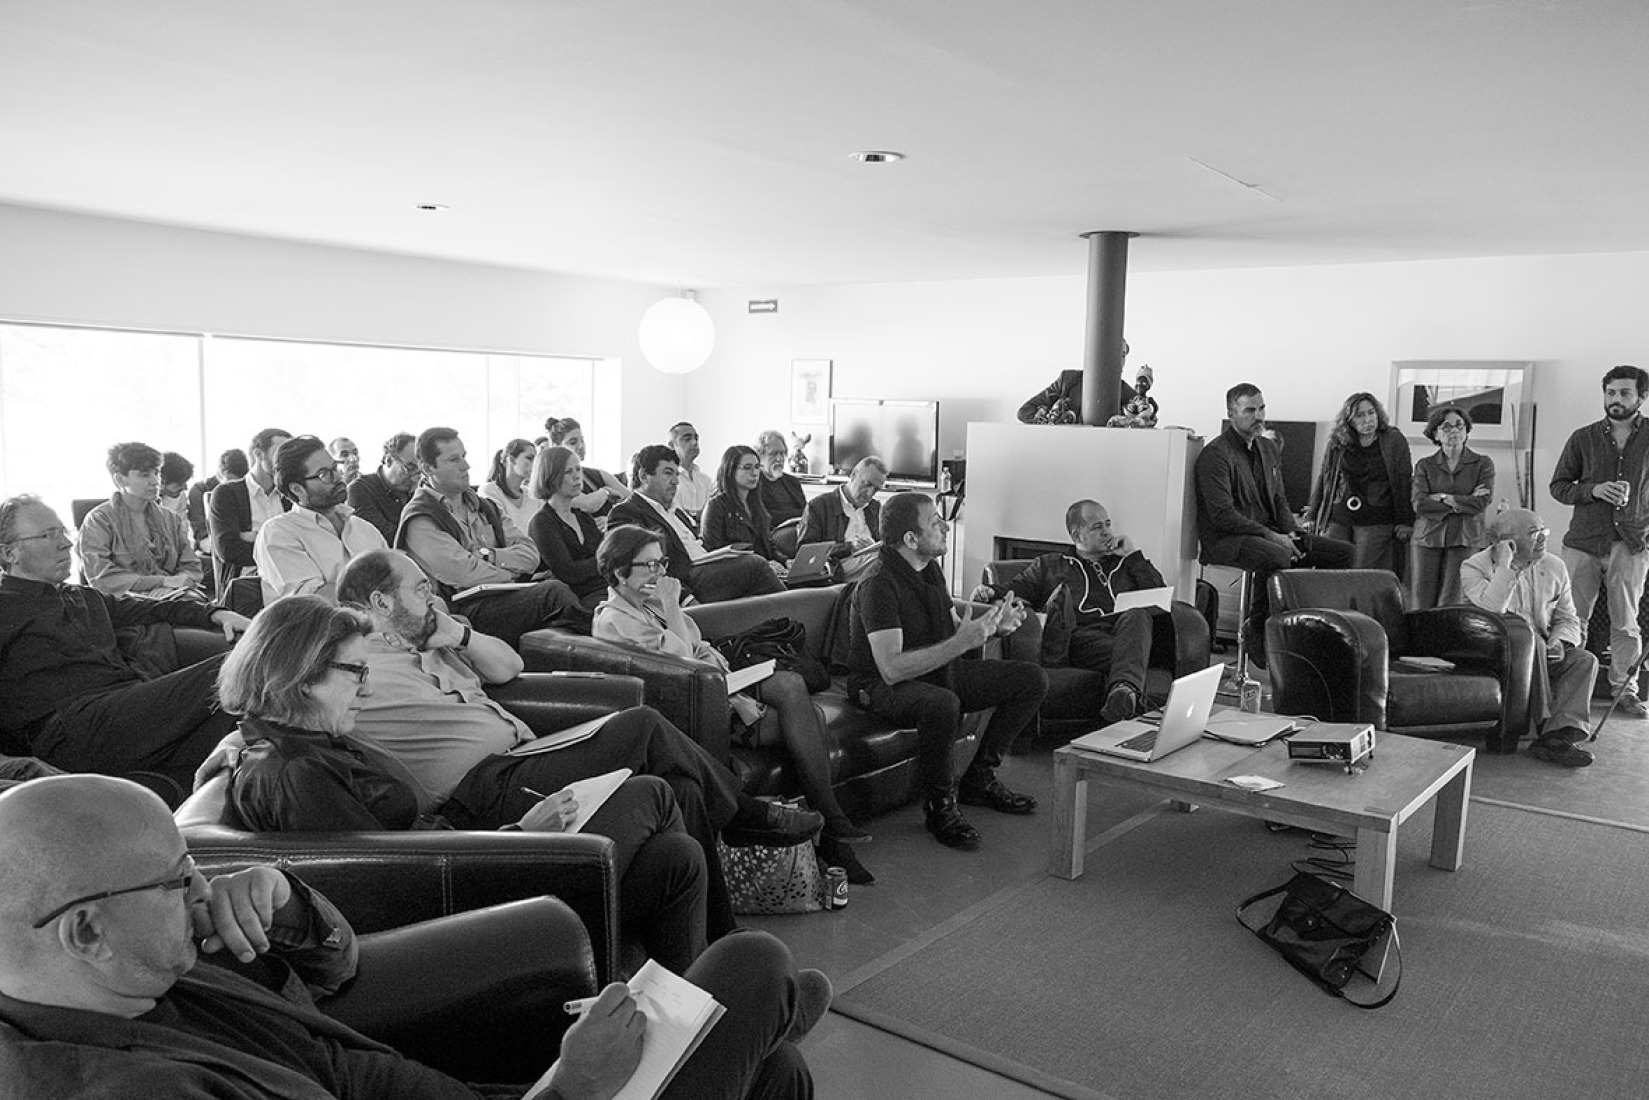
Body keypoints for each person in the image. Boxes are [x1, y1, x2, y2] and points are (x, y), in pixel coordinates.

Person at [0, 773, 826, 1100]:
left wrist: (285, 900)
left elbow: (335, 967)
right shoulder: (126, 1092)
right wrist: (575, 1091)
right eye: (176, 878)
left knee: (768, 1063)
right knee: (752, 967)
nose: (200, 889)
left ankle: (759, 1023)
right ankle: (764, 1011)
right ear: (84, 930)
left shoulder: (146, 965)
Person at [325, 549, 822, 940]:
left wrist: (454, 632)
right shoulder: (348, 665)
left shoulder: (434, 639)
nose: (432, 597)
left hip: (524, 758)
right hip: (479, 789)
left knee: (682, 791)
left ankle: (718, 942)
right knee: (642, 726)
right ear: (379, 603)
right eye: (419, 589)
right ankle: (745, 815)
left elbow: (508, 668)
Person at [217, 595, 709, 970]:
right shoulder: (296, 772)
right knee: (653, 792)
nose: (367, 687)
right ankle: (707, 995)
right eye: (355, 672)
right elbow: (385, 887)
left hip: (465, 861)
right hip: (458, 907)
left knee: (676, 859)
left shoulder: (304, 739)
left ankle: (693, 1003)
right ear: (302, 677)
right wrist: (521, 837)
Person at [594, 524, 873, 882]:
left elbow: (703, 647)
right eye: (650, 566)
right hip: (692, 714)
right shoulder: (615, 620)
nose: (661, 573)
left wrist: (732, 687)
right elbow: (684, 665)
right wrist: (672, 607)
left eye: (662, 563)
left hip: (718, 691)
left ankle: (827, 829)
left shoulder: (648, 608)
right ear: (620, 572)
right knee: (807, 717)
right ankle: (830, 829)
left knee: (791, 686)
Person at [0, 495, 250, 793]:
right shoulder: (5, 607)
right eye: (47, 535)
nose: (65, 543)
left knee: (233, 727)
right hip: (69, 730)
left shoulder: (85, 597)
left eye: (63, 532)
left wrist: (216, 612)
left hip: (122, 711)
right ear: (10, 553)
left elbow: (157, 608)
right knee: (239, 667)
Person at [848, 492, 1048, 850]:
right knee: (942, 703)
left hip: (933, 669)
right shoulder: (878, 583)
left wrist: (992, 628)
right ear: (911, 539)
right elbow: (891, 668)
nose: (944, 527)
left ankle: (979, 778)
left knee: (1031, 679)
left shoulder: (928, 567)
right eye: (934, 522)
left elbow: (951, 625)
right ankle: (940, 806)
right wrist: (962, 643)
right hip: (879, 685)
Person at [970, 499, 1173, 724]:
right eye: (1097, 527)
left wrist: (1133, 556)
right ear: (1077, 536)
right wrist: (989, 592)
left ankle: (1124, 691)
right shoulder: (1052, 565)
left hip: (1128, 633)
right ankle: (1125, 692)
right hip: (1083, 638)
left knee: (1137, 615)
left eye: (1108, 524)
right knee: (1137, 651)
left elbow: (1160, 597)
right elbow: (1014, 589)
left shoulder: (1126, 563)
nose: (1107, 532)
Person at [1194, 383, 1353, 665]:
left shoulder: (1268, 448)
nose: (1259, 416)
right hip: (1227, 539)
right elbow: (1223, 516)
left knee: (1343, 553)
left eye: (1262, 408)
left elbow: (1279, 499)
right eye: (1250, 410)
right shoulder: (1215, 455)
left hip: (1270, 534)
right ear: (1231, 414)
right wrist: (1275, 537)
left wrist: (1292, 531)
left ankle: (1306, 629)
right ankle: (1258, 626)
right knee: (1277, 554)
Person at [395, 426, 589, 646]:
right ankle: (610, 649)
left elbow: (530, 554)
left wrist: (488, 555)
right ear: (427, 467)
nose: (466, 466)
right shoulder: (420, 518)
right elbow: (465, 574)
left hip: (504, 596)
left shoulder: (485, 507)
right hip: (458, 613)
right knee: (553, 594)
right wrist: (512, 572)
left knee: (561, 600)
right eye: (454, 460)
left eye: (464, 457)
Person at [1461, 508, 1599, 767]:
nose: (1544, 538)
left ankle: (1557, 736)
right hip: (1498, 650)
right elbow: (1493, 609)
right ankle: (1546, 723)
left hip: (1544, 648)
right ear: (1507, 541)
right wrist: (1506, 565)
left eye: (1543, 530)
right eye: (1534, 533)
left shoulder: (1555, 565)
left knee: (1584, 659)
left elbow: (1568, 617)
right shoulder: (1474, 566)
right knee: (1530, 642)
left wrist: (1562, 642)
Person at [1550, 365, 1649, 719]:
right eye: (1610, 393)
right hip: (1583, 542)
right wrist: (1592, 490)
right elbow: (1558, 486)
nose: (1616, 400)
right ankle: (1566, 688)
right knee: (1573, 619)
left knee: (1626, 621)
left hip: (1631, 542)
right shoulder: (1583, 437)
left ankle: (1626, 690)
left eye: (1624, 393)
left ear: (1641, 396)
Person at [608, 445, 786, 604]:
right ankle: (799, 618)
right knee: (755, 565)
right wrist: (685, 598)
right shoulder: (627, 512)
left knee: (762, 580)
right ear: (644, 476)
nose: (676, 481)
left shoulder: (675, 511)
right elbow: (637, 569)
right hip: (686, 579)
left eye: (676, 474)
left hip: (707, 566)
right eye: (668, 473)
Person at [253, 435, 389, 604]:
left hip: (384, 625)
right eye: (324, 474)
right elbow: (317, 600)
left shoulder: (363, 528)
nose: (338, 478)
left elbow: (397, 577)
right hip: (322, 628)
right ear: (297, 489)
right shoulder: (278, 533)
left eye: (335, 468)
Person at [1303, 392, 1414, 574]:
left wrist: (1406, 521)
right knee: (1328, 569)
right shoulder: (1338, 441)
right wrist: (1311, 515)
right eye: (1360, 415)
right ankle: (1329, 604)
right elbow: (1325, 478)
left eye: (1371, 413)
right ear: (1349, 420)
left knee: (1359, 572)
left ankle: (1353, 604)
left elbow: (1403, 481)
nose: (1368, 419)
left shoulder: (1393, 440)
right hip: (1338, 516)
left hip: (1376, 519)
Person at [79, 441, 206, 599]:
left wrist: (178, 582)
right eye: (145, 475)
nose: (155, 481)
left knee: (208, 611)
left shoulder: (171, 519)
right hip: (125, 601)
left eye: (156, 473)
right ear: (120, 479)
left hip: (175, 595)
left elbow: (191, 565)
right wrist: (162, 582)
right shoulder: (98, 521)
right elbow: (101, 576)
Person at [1410, 405, 1495, 609]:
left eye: (1459, 425)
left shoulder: (1482, 463)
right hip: (1427, 537)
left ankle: (1445, 641)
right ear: (1435, 433)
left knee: (1452, 600)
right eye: (1446, 427)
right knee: (1421, 600)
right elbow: (1419, 503)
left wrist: (1443, 498)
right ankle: (1419, 640)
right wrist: (1464, 500)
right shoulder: (1424, 465)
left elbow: (1481, 502)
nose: (1454, 431)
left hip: (1466, 537)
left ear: (1466, 431)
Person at [208, 427, 292, 594]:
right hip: (248, 581)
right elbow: (228, 550)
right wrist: (283, 547)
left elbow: (306, 542)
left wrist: (255, 537)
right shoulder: (227, 493)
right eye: (280, 453)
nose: (287, 460)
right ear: (259, 454)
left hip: (292, 577)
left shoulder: (290, 493)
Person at [526, 444, 608, 607]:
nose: (577, 477)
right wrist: (606, 561)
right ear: (550, 477)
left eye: (578, 470)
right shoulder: (542, 522)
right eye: (568, 472)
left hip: (600, 589)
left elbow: (604, 554)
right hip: (571, 599)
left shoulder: (583, 516)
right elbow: (568, 572)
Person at [701, 445, 788, 576]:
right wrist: (764, 564)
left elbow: (768, 546)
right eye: (747, 468)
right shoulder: (716, 506)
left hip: (763, 571)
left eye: (757, 467)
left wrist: (786, 561)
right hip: (737, 575)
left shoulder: (755, 504)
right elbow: (716, 554)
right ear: (730, 470)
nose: (754, 473)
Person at [1016, 339, 1138, 424]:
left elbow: (1145, 421)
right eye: (1115, 354)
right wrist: (1051, 420)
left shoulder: (1126, 393)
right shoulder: (1068, 380)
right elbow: (1025, 412)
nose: (1120, 361)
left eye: (1123, 355)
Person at [545, 415, 628, 525]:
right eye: (573, 442)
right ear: (556, 446)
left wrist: (613, 520)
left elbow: (633, 501)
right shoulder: (553, 481)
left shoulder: (598, 474)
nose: (581, 446)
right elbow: (588, 504)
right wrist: (606, 491)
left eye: (582, 440)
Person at [797, 455, 886, 549]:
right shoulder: (818, 506)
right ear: (853, 474)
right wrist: (848, 547)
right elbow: (806, 551)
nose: (870, 493)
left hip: (872, 561)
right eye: (867, 484)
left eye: (876, 489)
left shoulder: (875, 508)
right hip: (838, 562)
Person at [346, 432, 418, 545]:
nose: (415, 478)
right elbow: (386, 537)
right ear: (389, 460)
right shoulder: (360, 489)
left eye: (420, 470)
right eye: (410, 468)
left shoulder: (420, 488)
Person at [187, 448, 247, 559]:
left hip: (235, 540)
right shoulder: (199, 490)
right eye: (229, 480)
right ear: (220, 474)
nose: (233, 486)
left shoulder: (246, 488)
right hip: (207, 541)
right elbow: (200, 531)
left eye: (238, 482)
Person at [479, 438, 543, 538]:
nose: (535, 464)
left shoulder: (533, 495)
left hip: (532, 550)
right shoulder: (489, 491)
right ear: (511, 460)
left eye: (536, 460)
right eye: (529, 458)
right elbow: (499, 529)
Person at [669, 421, 715, 521]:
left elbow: (712, 515)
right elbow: (674, 514)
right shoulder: (669, 479)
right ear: (672, 445)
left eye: (696, 438)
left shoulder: (706, 480)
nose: (694, 443)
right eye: (687, 439)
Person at [158, 451, 194, 521]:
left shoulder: (180, 496)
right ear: (162, 481)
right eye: (180, 484)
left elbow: (182, 526)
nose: (186, 488)